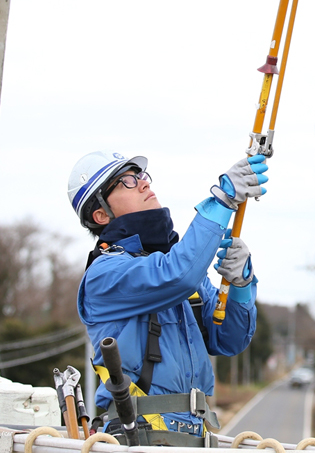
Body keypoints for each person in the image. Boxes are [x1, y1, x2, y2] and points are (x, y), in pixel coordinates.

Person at [68, 150, 268, 444]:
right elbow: (179, 273)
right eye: (126, 181)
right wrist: (222, 200)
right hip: (139, 438)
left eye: (140, 176)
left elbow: (229, 339)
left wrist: (241, 284)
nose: (143, 183)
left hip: (195, 438)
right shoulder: (105, 275)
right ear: (101, 214)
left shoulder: (174, 269)